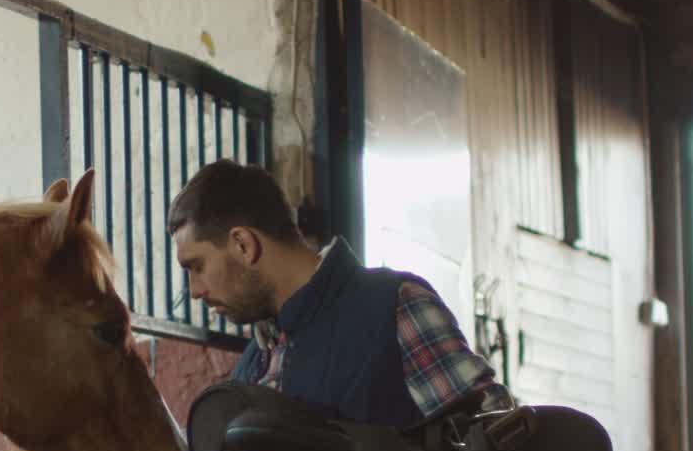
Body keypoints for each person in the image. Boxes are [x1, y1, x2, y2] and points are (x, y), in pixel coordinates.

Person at [167, 158, 512, 426]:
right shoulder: (252, 367)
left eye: (196, 267)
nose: (195, 291)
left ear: (243, 244)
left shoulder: (392, 308)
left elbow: (499, 446)